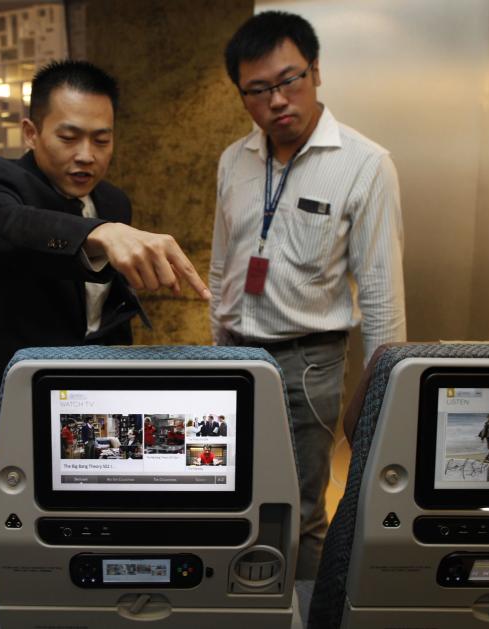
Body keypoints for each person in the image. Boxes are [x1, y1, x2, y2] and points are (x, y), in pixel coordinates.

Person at [0, 59, 209, 576]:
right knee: (12, 551)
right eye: (69, 137)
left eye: (102, 140)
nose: (86, 156)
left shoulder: (114, 199)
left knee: (97, 538)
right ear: (32, 131)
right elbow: (7, 230)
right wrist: (96, 235)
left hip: (96, 410)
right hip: (16, 405)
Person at [212, 11, 406, 579]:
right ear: (242, 95)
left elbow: (380, 290)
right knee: (236, 497)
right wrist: (216, 342)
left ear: (316, 71)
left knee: (298, 508)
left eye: (289, 79)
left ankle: (302, 610)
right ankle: (243, 602)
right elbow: (224, 260)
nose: (277, 100)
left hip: (308, 362)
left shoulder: (365, 164)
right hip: (235, 355)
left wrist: (382, 399)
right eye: (258, 90)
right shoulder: (234, 160)